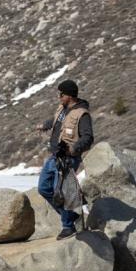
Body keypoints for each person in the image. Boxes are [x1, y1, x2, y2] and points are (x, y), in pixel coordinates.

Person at [36, 79, 94, 239]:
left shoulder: (83, 114)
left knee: (61, 193)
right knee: (43, 189)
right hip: (54, 156)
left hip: (67, 159)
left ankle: (68, 227)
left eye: (61, 94)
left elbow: (88, 138)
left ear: (69, 95)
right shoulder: (62, 108)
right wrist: (44, 125)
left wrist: (73, 148)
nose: (59, 97)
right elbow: (56, 121)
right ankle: (71, 216)